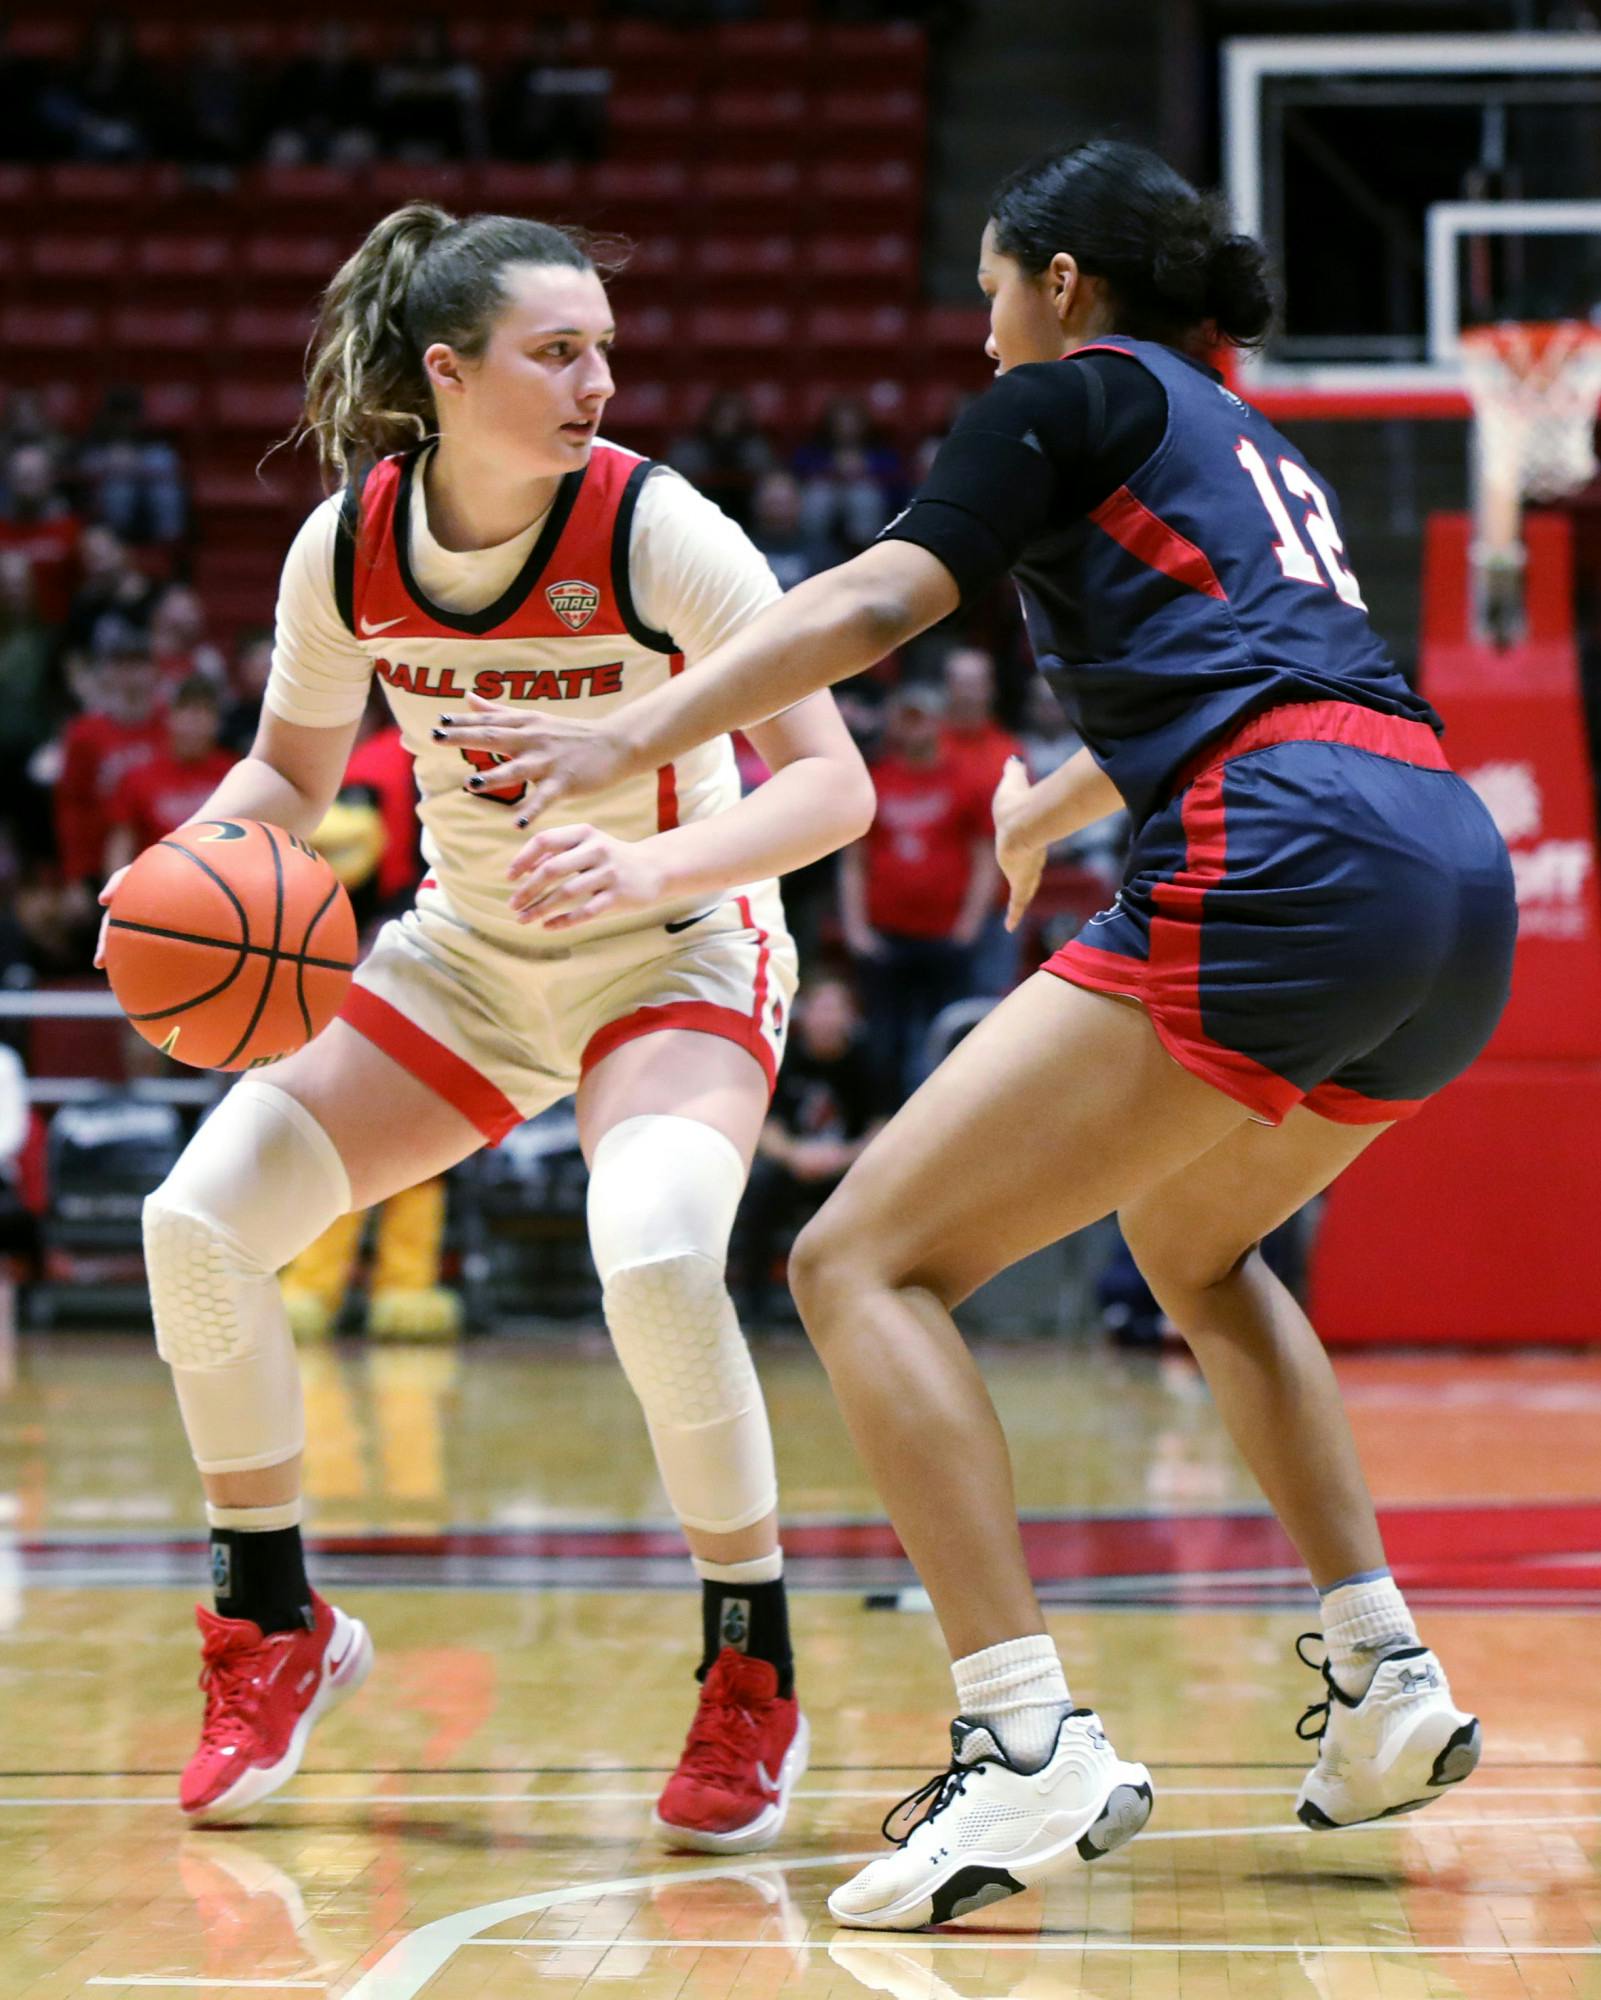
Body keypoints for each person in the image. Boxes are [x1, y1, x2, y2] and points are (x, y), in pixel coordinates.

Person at [464, 138, 1518, 1930]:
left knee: (860, 1260)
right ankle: (1385, 1673)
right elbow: (1283, 664)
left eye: (984, 288)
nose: (976, 330)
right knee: (1198, 1247)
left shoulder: (1063, 398)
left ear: (1057, 281)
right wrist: (1058, 793)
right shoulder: (1242, 432)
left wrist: (628, 740)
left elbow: (875, 603)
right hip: (1447, 874)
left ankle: (1022, 1742)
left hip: (1286, 856)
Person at [95, 204, 873, 1841]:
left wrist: (649, 855)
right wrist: (189, 865)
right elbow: (293, 781)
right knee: (197, 1224)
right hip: (464, 954)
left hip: (672, 942)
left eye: (604, 344)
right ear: (446, 374)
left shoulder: (661, 527)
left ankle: (752, 1667)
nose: (601, 376)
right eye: (558, 350)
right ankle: (273, 1627)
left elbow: (832, 789)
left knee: (655, 1254)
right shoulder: (346, 550)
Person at [839, 683, 999, 1101]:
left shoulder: (966, 781)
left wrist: (969, 923)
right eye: (904, 717)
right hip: (885, 935)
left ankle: (941, 1124)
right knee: (882, 1041)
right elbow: (853, 860)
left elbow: (985, 858)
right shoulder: (874, 781)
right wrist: (855, 928)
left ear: (937, 721)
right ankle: (881, 1127)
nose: (912, 728)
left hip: (946, 935)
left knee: (945, 1039)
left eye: (920, 717)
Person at [733, 975, 886, 1324]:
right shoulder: (782, 1055)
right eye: (821, 1007)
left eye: (836, 1008)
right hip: (792, 1166)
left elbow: (884, 1129)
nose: (827, 1017)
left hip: (848, 1169)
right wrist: (796, 1155)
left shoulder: (869, 1060)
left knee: (875, 1197)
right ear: (806, 1013)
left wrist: (841, 1157)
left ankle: (857, 1308)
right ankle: (753, 1307)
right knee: (758, 1191)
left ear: (851, 1016)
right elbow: (763, 1127)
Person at [103, 675, 238, 876]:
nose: (194, 722)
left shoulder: (236, 774)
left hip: (222, 886)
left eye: (204, 711)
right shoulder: (138, 778)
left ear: (216, 722)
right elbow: (121, 845)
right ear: (170, 717)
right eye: (186, 710)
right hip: (157, 887)